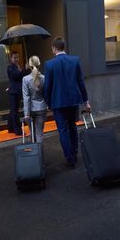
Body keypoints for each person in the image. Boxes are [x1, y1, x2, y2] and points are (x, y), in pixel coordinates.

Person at [44, 37, 91, 168]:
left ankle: (70, 159)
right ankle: (75, 153)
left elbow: (47, 86)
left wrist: (48, 103)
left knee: (63, 131)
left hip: (57, 102)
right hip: (73, 101)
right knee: (72, 126)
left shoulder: (49, 64)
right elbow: (80, 82)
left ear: (54, 48)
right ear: (64, 47)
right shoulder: (74, 61)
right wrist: (86, 101)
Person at [22, 56, 47, 143]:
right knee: (39, 133)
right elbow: (46, 94)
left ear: (29, 66)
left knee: (32, 133)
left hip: (30, 110)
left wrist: (26, 114)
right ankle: (40, 155)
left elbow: (26, 97)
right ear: (39, 64)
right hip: (42, 107)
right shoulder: (44, 78)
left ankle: (34, 155)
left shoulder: (25, 79)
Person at [7, 51, 30, 135]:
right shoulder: (10, 67)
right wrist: (25, 69)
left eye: (17, 57)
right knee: (14, 111)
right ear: (11, 58)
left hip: (17, 91)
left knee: (13, 111)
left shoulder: (17, 66)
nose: (16, 59)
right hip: (13, 92)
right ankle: (17, 130)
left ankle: (10, 128)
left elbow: (22, 76)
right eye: (15, 57)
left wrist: (26, 69)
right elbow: (17, 75)